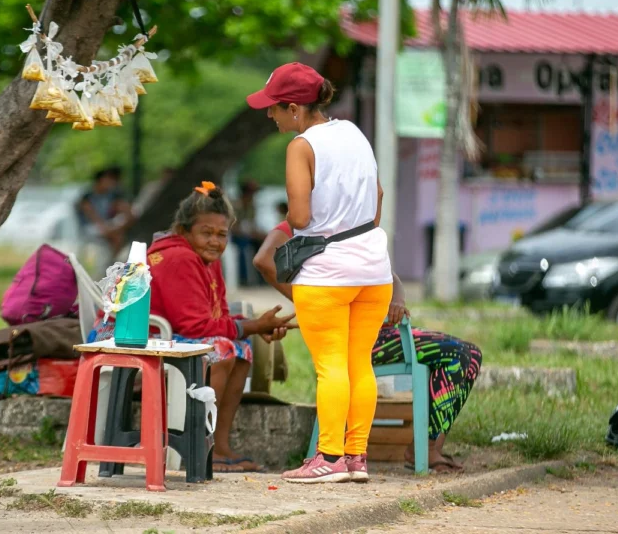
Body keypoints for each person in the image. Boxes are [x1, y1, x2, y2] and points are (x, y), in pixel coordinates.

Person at [247, 62, 393, 484]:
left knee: (330, 366)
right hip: (373, 268)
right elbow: (378, 195)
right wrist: (357, 231)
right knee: (358, 364)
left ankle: (328, 458)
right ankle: (355, 458)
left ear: (295, 109)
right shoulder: (353, 133)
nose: (269, 116)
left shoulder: (301, 146)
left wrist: (319, 233)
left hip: (327, 275)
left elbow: (300, 215)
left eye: (274, 108)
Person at [91, 181, 296, 473]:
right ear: (184, 231)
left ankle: (220, 447)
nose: (215, 241)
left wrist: (255, 327)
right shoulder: (179, 257)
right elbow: (196, 325)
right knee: (223, 352)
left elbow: (217, 314)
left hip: (163, 335)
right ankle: (201, 447)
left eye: (222, 235)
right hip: (130, 339)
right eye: (206, 233)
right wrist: (251, 325)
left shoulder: (206, 259)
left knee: (240, 349)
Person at [255, 222, 483, 473]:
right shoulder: (315, 215)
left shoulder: (356, 214)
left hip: (379, 328)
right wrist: (311, 305)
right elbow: (265, 259)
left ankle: (425, 445)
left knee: (467, 353)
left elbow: (386, 273)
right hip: (360, 337)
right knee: (462, 354)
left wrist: (397, 297)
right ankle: (424, 448)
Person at [76, 166, 134, 258]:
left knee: (118, 231)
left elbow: (126, 212)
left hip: (107, 225)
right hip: (90, 227)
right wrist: (106, 228)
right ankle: (114, 260)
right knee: (116, 236)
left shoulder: (111, 195)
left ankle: (114, 259)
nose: (110, 183)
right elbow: (93, 217)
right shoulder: (87, 197)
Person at [231, 179, 267, 286]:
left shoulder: (252, 206)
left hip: (248, 235)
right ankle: (244, 279)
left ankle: (263, 278)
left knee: (265, 245)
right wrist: (250, 232)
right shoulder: (235, 206)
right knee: (243, 247)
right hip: (236, 237)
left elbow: (253, 224)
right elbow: (233, 227)